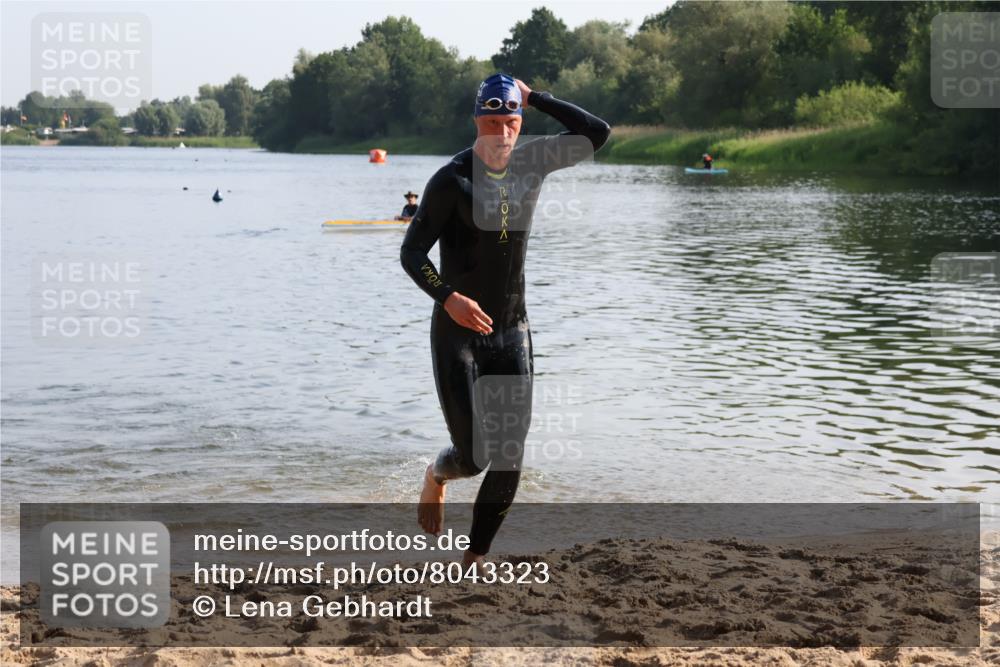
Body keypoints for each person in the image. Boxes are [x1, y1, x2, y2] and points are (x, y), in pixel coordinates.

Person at [400, 72, 610, 567]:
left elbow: (596, 133)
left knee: (510, 452)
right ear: (477, 120)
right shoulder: (452, 180)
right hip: (458, 334)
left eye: (511, 121)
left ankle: (474, 558)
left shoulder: (533, 162)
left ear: (520, 121)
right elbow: (412, 253)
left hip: (512, 330)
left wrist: (537, 97)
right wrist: (448, 297)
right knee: (473, 457)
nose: (501, 132)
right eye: (491, 122)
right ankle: (436, 474)